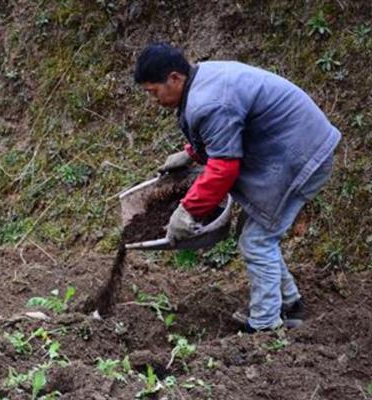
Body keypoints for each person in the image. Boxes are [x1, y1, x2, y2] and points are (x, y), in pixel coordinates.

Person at [134, 42, 341, 333]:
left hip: (302, 157)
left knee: (257, 240)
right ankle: (288, 302)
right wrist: (192, 153)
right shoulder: (202, 79)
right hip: (289, 151)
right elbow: (226, 133)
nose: (152, 100)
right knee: (253, 232)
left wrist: (188, 210)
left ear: (174, 78)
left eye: (153, 92)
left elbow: (223, 167)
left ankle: (267, 325)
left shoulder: (207, 101)